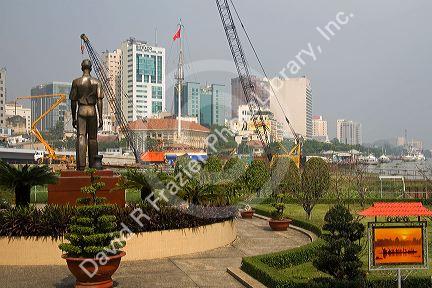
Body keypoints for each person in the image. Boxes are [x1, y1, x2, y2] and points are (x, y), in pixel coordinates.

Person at [70, 59, 103, 170]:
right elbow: (99, 100)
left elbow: (73, 101)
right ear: (91, 68)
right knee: (93, 138)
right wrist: (101, 117)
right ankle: (94, 164)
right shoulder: (97, 82)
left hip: (82, 110)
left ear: (82, 67)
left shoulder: (76, 82)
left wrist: (73, 117)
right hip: (92, 110)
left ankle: (81, 165)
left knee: (81, 137)